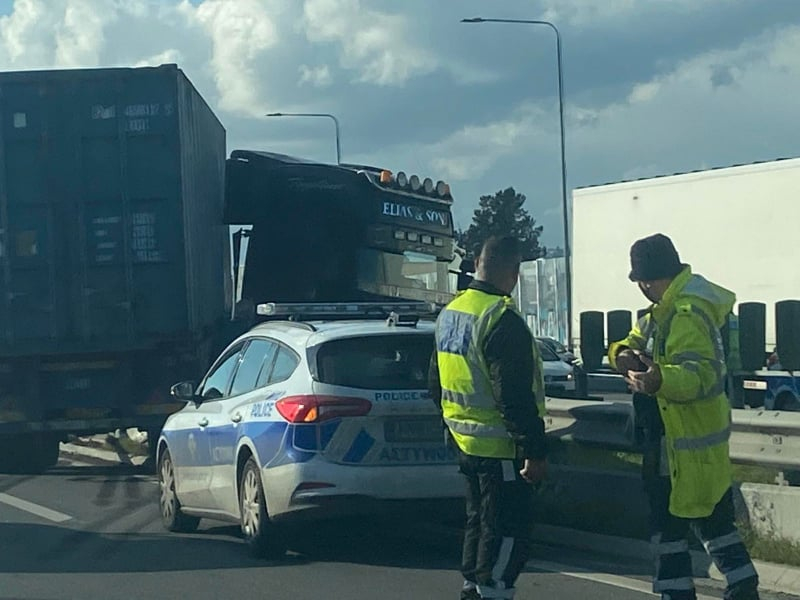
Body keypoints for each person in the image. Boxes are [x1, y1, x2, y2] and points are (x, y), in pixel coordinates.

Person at [609, 233, 759, 600]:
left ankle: (685, 593)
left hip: (676, 442)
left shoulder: (686, 315)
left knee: (669, 530)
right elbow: (629, 342)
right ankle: (743, 588)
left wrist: (659, 379)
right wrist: (623, 355)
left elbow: (698, 377)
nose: (642, 289)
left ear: (648, 278)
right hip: (692, 440)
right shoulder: (668, 309)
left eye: (641, 281)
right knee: (713, 523)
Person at [429, 235, 547, 600]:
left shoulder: (451, 313)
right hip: (501, 447)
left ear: (477, 264)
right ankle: (490, 591)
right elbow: (512, 395)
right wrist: (533, 449)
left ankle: (472, 588)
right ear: (513, 273)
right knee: (508, 531)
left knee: (479, 522)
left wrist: (453, 426)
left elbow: (435, 384)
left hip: (465, 442)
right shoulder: (501, 319)